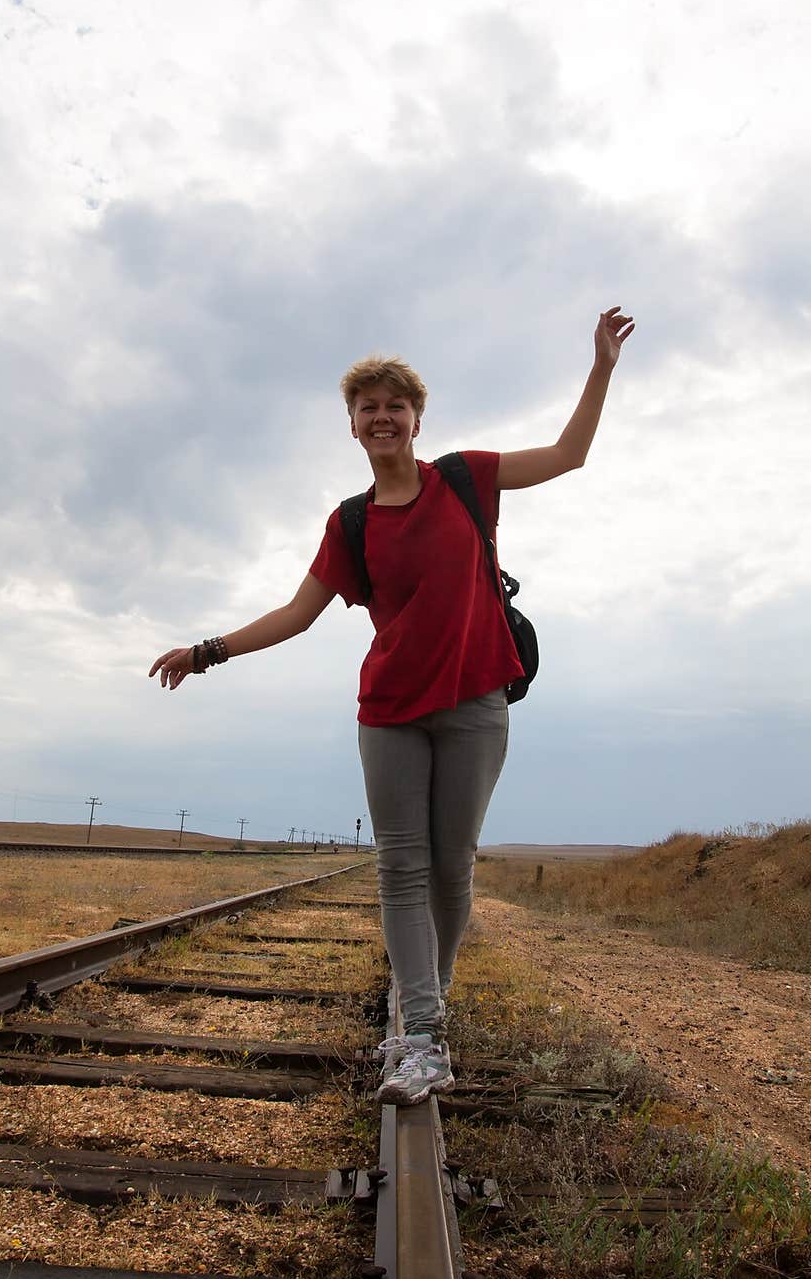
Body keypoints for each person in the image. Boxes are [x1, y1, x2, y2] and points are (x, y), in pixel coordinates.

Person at [149, 307, 635, 1106]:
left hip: (477, 702)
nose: (381, 416)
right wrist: (207, 653)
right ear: (353, 426)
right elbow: (295, 614)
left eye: (394, 405)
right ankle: (423, 1037)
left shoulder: (466, 478)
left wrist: (602, 366)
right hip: (391, 710)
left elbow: (569, 455)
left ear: (416, 420)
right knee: (401, 868)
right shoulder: (350, 523)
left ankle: (419, 1017)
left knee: (452, 868)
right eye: (366, 407)